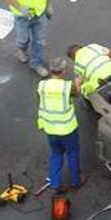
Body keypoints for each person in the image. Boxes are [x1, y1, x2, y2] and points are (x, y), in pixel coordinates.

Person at [37, 58, 85, 194]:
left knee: (56, 154)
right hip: (67, 129)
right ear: (63, 71)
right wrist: (78, 83)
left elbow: (41, 103)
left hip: (50, 128)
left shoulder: (42, 85)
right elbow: (77, 94)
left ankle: (55, 183)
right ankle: (75, 181)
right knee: (72, 153)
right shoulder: (67, 87)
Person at [3, 0, 53, 76]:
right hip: (23, 16)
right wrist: (21, 8)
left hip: (39, 13)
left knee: (39, 40)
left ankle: (36, 63)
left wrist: (48, 6)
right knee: (23, 39)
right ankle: (21, 48)